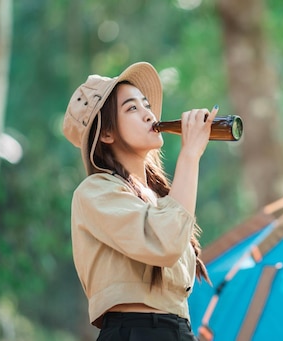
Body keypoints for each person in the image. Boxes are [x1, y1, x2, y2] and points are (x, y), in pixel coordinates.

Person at [62, 61, 214, 340]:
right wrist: (190, 155)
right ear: (106, 133)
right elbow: (165, 243)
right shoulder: (95, 192)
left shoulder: (159, 199)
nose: (148, 114)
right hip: (135, 332)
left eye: (146, 105)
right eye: (132, 108)